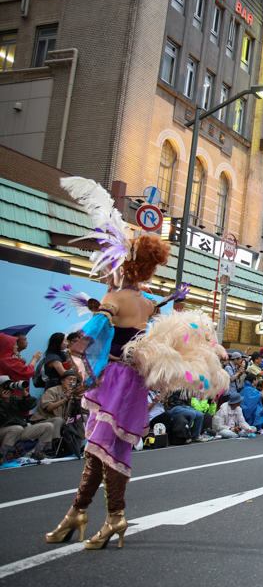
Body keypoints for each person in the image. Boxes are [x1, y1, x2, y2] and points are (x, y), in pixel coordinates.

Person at [45, 176, 227, 550]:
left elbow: (90, 337)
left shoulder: (116, 298)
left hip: (113, 380)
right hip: (134, 382)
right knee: (103, 448)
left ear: (123, 264)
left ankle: (113, 517)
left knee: (105, 450)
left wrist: (77, 354)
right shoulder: (145, 303)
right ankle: (80, 513)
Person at [0, 376, 56, 461]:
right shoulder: (6, 400)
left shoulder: (13, 399)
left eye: (9, 385)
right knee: (17, 428)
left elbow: (30, 405)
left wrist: (24, 393)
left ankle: (38, 452)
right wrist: (4, 402)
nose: (8, 388)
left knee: (48, 426)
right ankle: (2, 454)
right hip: (3, 431)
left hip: (19, 430)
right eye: (4, 386)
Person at [29, 368, 81, 439]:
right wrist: (65, 399)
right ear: (62, 381)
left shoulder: (73, 394)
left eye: (74, 380)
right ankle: (54, 442)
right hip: (42, 421)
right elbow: (49, 408)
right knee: (58, 420)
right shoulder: (52, 391)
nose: (71, 382)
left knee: (80, 419)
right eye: (69, 379)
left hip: (59, 423)